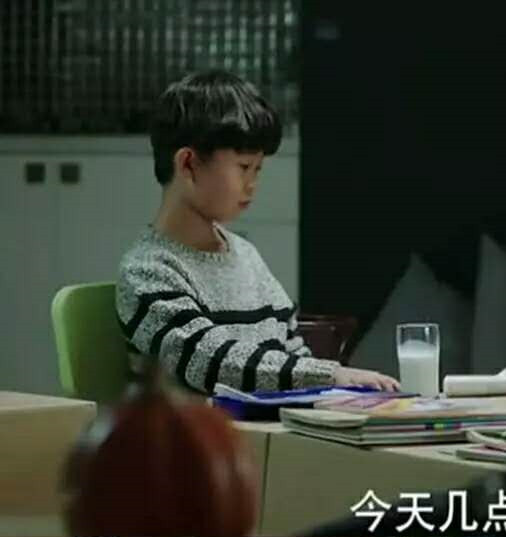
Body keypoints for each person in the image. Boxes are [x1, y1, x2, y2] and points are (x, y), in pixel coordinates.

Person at [117, 71, 399, 394]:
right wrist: (328, 375)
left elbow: (291, 351)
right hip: (198, 427)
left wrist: (332, 393)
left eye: (258, 169)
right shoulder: (148, 270)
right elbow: (210, 361)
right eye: (244, 167)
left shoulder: (244, 255)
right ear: (188, 164)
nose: (252, 184)